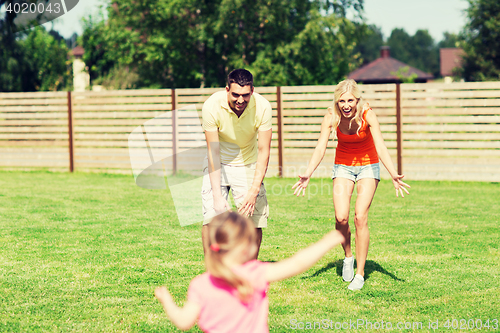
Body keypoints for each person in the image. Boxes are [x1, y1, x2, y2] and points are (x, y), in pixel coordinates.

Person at [292, 79, 410, 291]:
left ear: (357, 100)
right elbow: (321, 146)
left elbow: (380, 145)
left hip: (368, 166)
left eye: (350, 101)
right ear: (336, 101)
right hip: (343, 166)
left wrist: (393, 173)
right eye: (342, 101)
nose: (346, 105)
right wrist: (308, 173)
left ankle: (360, 273)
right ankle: (348, 256)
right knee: (341, 217)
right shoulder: (331, 116)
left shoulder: (367, 114)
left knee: (360, 216)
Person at [155, 211, 344, 332]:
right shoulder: (255, 274)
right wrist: (325, 243)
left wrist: (167, 300)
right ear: (247, 248)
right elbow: (296, 264)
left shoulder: (200, 284)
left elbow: (183, 322)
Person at [201, 69, 272, 259]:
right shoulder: (211, 106)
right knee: (210, 220)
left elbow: (264, 150)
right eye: (235, 95)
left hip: (248, 164)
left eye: (245, 95)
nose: (240, 100)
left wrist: (254, 191)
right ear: (227, 90)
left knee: (254, 222)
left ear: (252, 91)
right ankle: (212, 273)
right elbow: (213, 151)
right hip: (219, 163)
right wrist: (217, 195)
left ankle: (250, 271)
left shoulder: (263, 107)